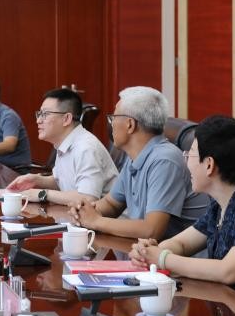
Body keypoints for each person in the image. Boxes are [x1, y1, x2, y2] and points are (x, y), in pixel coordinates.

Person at [130, 115, 235, 316]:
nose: (186, 162)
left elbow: (228, 271)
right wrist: (150, 252)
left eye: (190, 155)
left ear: (209, 165)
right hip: (230, 310)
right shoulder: (221, 203)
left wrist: (163, 258)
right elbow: (182, 243)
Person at [71, 86, 208, 240]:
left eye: (113, 117)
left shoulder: (164, 161)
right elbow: (112, 204)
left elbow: (152, 230)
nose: (111, 124)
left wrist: (96, 221)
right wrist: (84, 211)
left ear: (130, 124)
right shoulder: (135, 157)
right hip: (148, 250)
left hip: (179, 252)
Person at [6, 87, 117, 206]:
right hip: (76, 214)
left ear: (66, 119)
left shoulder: (85, 148)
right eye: (39, 114)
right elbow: (63, 181)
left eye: (45, 114)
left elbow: (88, 199)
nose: (38, 120)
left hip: (105, 216)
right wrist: (36, 180)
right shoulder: (65, 143)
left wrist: (42, 194)